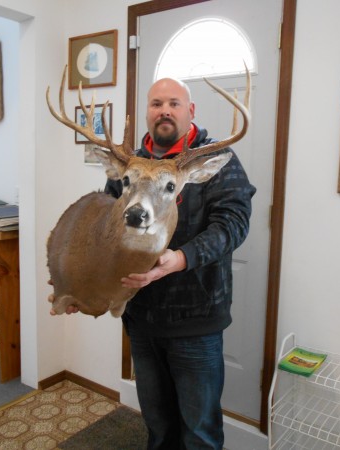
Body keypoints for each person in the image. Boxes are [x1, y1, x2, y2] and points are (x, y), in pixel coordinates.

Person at [103, 77, 256, 449]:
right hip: (141, 318)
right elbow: (106, 222)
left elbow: (234, 222)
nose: (164, 111)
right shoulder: (130, 162)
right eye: (157, 104)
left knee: (200, 429)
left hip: (196, 319)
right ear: (148, 112)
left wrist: (183, 258)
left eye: (174, 103)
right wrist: (85, 287)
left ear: (191, 111)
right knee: (158, 423)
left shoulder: (214, 159)